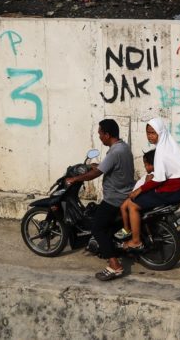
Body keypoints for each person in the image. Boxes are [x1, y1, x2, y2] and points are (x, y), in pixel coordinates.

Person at [65, 119, 134, 281]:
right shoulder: (124, 148)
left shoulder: (114, 152)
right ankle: (112, 248)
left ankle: (114, 265)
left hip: (114, 199)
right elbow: (109, 167)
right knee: (107, 228)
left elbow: (96, 174)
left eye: (100, 134)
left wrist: (76, 179)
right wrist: (96, 165)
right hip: (125, 195)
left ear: (107, 134)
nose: (100, 137)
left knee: (97, 228)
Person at [121, 118, 180, 251]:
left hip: (171, 191)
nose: (150, 136)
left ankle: (135, 240)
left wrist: (139, 190)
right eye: (148, 132)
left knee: (132, 205)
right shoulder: (169, 146)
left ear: (161, 133)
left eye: (153, 133)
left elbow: (159, 179)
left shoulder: (161, 152)